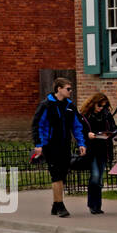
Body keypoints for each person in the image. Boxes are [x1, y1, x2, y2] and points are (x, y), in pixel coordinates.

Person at [31, 77, 86, 217]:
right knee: (56, 175)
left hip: (65, 145)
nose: (70, 91)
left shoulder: (70, 106)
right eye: (68, 89)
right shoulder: (46, 105)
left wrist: (81, 143)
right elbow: (38, 125)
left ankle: (55, 205)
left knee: (62, 174)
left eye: (71, 89)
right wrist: (39, 144)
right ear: (59, 89)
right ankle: (60, 206)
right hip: (50, 145)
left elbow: (77, 126)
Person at [79, 92, 117, 215]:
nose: (101, 108)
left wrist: (115, 134)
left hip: (104, 148)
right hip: (91, 149)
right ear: (93, 104)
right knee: (95, 176)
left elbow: (113, 127)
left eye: (104, 106)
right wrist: (87, 135)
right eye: (99, 105)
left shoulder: (106, 115)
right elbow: (78, 131)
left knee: (100, 178)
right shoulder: (85, 116)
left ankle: (97, 205)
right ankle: (92, 204)